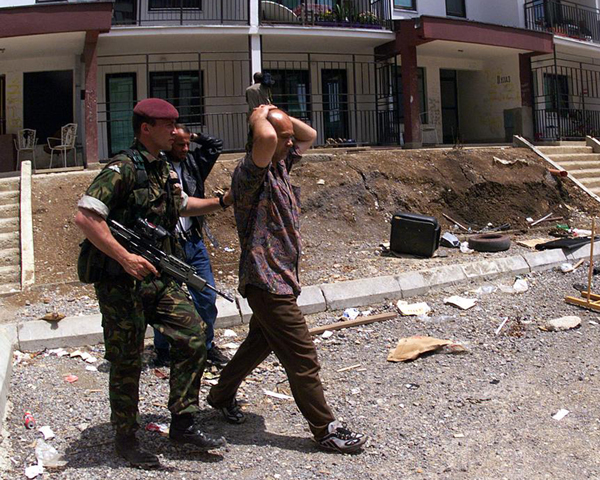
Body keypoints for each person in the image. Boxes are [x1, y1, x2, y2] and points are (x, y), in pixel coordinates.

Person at [74, 98, 229, 469]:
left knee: (193, 334)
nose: (178, 131)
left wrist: (222, 202)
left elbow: (183, 206)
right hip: (121, 283)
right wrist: (124, 257)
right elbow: (86, 216)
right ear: (146, 128)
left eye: (177, 124)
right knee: (126, 360)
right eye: (169, 125)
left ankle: (183, 423)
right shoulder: (122, 168)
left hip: (159, 277)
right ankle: (126, 437)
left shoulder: (164, 168)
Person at [206, 105, 368, 454]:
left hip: (280, 280)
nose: (291, 142)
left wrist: (279, 116)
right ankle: (326, 429)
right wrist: (258, 116)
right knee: (303, 358)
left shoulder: (280, 164)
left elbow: (309, 134)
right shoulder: (249, 174)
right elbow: (265, 136)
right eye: (284, 138)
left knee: (258, 345)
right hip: (265, 281)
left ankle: (219, 395)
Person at [152, 124, 231, 368]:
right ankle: (164, 349)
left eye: (188, 144)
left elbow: (216, 145)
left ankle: (206, 346)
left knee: (206, 295)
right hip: (166, 245)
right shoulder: (156, 168)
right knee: (165, 300)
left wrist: (191, 135)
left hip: (193, 241)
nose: (185, 149)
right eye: (180, 145)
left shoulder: (194, 164)